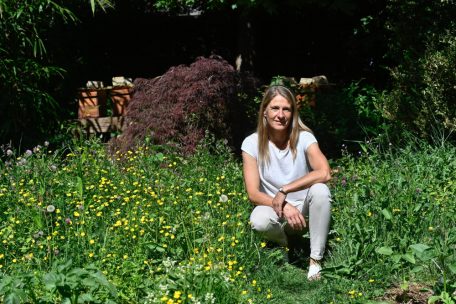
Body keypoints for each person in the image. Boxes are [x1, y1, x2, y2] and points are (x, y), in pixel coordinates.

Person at [241, 84, 332, 281]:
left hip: (305, 212)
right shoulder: (251, 143)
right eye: (275, 108)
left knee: (321, 190)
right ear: (264, 111)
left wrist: (285, 190)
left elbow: (325, 172)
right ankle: (284, 245)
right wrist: (284, 204)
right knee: (258, 221)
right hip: (274, 209)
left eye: (286, 109)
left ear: (293, 113)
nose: (280, 114)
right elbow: (253, 194)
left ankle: (315, 261)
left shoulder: (305, 138)